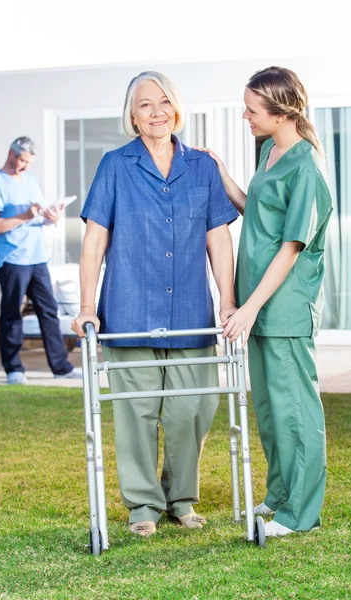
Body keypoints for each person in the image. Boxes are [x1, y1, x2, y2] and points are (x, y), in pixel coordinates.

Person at [71, 71, 239, 537]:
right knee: (137, 413)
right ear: (132, 115)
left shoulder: (201, 167)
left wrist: (227, 300)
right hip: (129, 309)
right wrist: (87, 305)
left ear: (177, 108)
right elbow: (94, 240)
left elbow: (219, 239)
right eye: (145, 104)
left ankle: (180, 497)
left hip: (190, 311)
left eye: (164, 101)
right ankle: (144, 506)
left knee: (192, 410)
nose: (157, 111)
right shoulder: (115, 165)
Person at [199, 66, 333, 538]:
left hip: (284, 307)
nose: (245, 116)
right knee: (272, 413)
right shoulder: (269, 151)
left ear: (281, 112)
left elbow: (290, 247)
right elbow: (254, 210)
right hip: (256, 307)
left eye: (253, 110)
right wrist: (221, 173)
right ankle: (279, 496)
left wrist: (250, 306)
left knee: (295, 411)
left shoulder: (306, 167)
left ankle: (300, 515)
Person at [0, 136, 82, 384]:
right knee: (12, 314)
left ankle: (61, 367)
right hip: (13, 259)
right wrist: (25, 216)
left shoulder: (30, 180)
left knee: (49, 312)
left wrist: (52, 217)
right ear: (11, 154)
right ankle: (13, 369)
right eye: (23, 161)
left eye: (30, 162)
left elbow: (38, 217)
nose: (26, 167)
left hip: (38, 258)